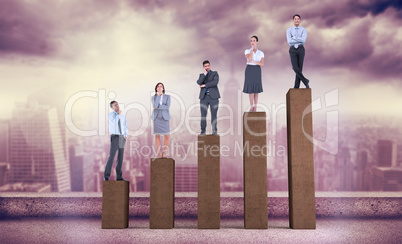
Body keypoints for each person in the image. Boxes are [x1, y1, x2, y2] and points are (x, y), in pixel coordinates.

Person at [104, 101, 127, 181]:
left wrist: (125, 135)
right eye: (115, 105)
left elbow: (125, 125)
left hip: (122, 137)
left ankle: (119, 177)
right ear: (112, 107)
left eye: (117, 104)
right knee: (111, 156)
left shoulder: (123, 116)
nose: (117, 106)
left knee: (120, 157)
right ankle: (106, 176)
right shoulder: (111, 115)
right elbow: (114, 123)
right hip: (115, 137)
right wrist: (118, 114)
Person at [197, 60, 220, 135]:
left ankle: (214, 130)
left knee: (214, 114)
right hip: (204, 98)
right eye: (205, 66)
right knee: (203, 115)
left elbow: (215, 82)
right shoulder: (201, 75)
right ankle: (203, 131)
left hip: (213, 97)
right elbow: (199, 82)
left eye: (208, 66)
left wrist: (205, 85)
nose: (207, 67)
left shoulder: (215, 73)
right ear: (203, 67)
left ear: (210, 66)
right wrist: (204, 74)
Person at [287, 14, 310, 88]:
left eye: (298, 19)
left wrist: (294, 38)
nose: (296, 20)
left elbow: (303, 41)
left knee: (299, 69)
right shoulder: (289, 30)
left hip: (301, 48)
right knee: (295, 67)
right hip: (292, 49)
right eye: (295, 19)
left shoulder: (303, 30)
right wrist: (298, 39)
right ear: (293, 20)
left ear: (300, 20)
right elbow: (289, 41)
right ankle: (305, 80)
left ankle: (296, 87)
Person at [243, 35, 264, 112]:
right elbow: (249, 58)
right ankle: (251, 106)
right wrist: (252, 49)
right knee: (250, 89)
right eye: (251, 41)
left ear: (257, 42)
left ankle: (255, 107)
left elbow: (262, 63)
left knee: (256, 90)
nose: (252, 42)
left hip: (257, 70)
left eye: (254, 40)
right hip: (249, 70)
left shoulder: (261, 53)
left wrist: (254, 62)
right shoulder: (247, 51)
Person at [151, 82, 171, 158]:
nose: (159, 88)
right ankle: (159, 153)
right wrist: (158, 96)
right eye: (158, 86)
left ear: (163, 88)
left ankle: (164, 152)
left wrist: (158, 107)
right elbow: (155, 105)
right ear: (156, 88)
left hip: (165, 117)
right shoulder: (153, 97)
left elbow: (167, 107)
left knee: (167, 135)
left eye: (161, 86)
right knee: (157, 135)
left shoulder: (168, 97)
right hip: (156, 118)